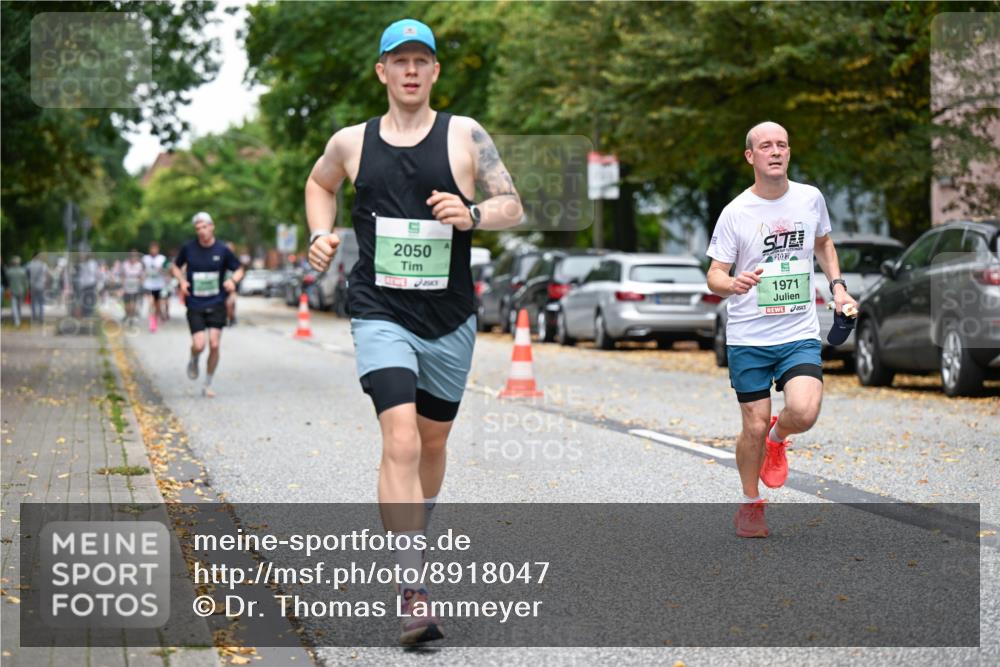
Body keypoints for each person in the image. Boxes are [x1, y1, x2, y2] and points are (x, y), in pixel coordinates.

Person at [304, 18, 523, 645]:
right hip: (380, 310)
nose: (409, 70)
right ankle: (411, 586)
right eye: (398, 60)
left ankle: (413, 536)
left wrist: (474, 212)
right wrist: (322, 234)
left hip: (449, 316)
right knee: (398, 440)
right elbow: (320, 184)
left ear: (433, 72)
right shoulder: (350, 142)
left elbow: (513, 204)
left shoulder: (465, 135)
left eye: (420, 60)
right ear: (381, 71)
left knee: (430, 443)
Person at [706, 121, 857, 538]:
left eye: (782, 145)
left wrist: (838, 288)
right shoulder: (736, 212)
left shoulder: (810, 199)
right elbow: (714, 275)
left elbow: (823, 244)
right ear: (750, 156)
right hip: (749, 337)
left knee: (805, 411)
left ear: (789, 153)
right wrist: (731, 283)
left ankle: (779, 438)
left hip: (798, 332)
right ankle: (751, 504)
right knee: (751, 425)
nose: (776, 151)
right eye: (766, 146)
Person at [171, 212, 244, 398]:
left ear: (212, 226)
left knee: (214, 343)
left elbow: (239, 269)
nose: (201, 231)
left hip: (217, 302)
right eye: (198, 229)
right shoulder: (189, 248)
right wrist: (182, 281)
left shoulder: (222, 250)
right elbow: (175, 266)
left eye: (204, 227)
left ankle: (207, 383)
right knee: (199, 344)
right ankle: (194, 358)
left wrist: (233, 281)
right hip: (195, 303)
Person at [143, 241, 168, 332]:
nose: (153, 250)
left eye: (155, 249)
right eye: (152, 249)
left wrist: (162, 270)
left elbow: (167, 270)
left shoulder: (162, 258)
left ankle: (156, 319)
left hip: (159, 285)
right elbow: (143, 270)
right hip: (148, 284)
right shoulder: (145, 258)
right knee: (151, 303)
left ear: (158, 249)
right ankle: (152, 323)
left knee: (157, 305)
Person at [119, 250, 145, 325]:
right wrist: (122, 286)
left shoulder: (139, 265)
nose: (133, 257)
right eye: (132, 256)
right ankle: (127, 315)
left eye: (135, 256)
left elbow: (142, 276)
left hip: (135, 287)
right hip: (126, 286)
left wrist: (140, 284)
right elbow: (122, 275)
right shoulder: (125, 264)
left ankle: (131, 318)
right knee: (127, 305)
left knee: (133, 304)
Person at [27, 255, 51, 323]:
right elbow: (48, 275)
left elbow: (27, 275)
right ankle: (41, 317)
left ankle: (34, 317)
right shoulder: (43, 265)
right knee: (41, 302)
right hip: (41, 286)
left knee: (33, 302)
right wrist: (47, 284)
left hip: (32, 286)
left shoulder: (29, 264)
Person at [5, 256, 28, 327]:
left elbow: (7, 282)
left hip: (12, 291)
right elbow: (25, 283)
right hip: (21, 291)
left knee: (14, 306)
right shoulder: (23, 271)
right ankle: (19, 319)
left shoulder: (9, 271)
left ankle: (16, 321)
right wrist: (26, 290)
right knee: (19, 306)